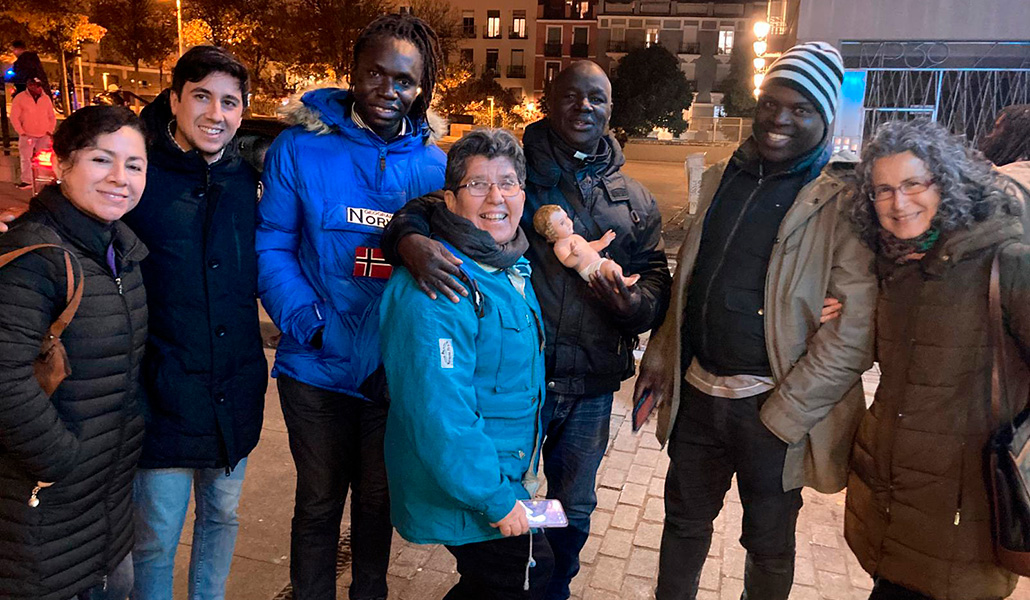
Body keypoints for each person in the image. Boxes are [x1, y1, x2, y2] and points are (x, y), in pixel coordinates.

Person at [382, 60, 671, 600]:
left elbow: (654, 272)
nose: (584, 107)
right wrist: (408, 239)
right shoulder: (517, 173)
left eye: (598, 98)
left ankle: (548, 588)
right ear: (547, 100)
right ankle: (528, 578)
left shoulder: (631, 197)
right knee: (510, 538)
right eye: (571, 95)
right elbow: (430, 208)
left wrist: (636, 308)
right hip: (519, 394)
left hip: (586, 388)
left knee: (568, 512)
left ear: (612, 108)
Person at [633, 42, 877, 600]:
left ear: (826, 117)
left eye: (801, 108)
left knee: (767, 547)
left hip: (773, 410)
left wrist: (786, 415)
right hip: (698, 396)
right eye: (772, 101)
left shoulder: (840, 201)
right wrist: (663, 358)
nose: (780, 118)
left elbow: (853, 331)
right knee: (682, 526)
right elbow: (690, 280)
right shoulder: (724, 175)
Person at [256, 14, 447, 600]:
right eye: (375, 74)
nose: (388, 90)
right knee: (317, 500)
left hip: (392, 369)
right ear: (353, 74)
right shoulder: (298, 150)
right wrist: (310, 325)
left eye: (405, 80)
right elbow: (272, 245)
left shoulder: (437, 167)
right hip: (314, 363)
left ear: (423, 87)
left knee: (376, 499)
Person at [844, 119, 1030, 600]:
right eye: (883, 189)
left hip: (966, 518)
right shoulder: (897, 267)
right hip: (897, 506)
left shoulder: (1003, 261)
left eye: (912, 184)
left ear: (944, 182)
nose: (898, 202)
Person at [380, 128, 554, 599]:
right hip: (468, 482)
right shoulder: (439, 285)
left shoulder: (507, 266)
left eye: (508, 182)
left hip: (498, 472)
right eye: (478, 184)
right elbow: (439, 412)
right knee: (522, 575)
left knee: (510, 578)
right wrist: (497, 500)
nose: (496, 196)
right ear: (451, 199)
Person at [124, 46, 267, 600]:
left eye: (229, 102)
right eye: (202, 96)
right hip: (161, 392)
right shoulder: (139, 172)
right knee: (156, 536)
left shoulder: (244, 176)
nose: (216, 113)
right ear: (176, 98)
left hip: (233, 389)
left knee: (222, 519)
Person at [0, 105, 149, 600]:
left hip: (101, 508)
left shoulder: (120, 254)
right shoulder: (36, 258)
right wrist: (66, 460)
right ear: (62, 164)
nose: (119, 178)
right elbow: (5, 383)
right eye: (101, 160)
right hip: (43, 513)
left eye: (134, 165)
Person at [532, 204, 639, 286]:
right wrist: (574, 254)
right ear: (551, 233)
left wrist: (602, 242)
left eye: (566, 218)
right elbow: (567, 262)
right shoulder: (560, 246)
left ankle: (617, 286)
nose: (568, 222)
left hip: (598, 263)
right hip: (589, 270)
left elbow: (589, 247)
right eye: (562, 223)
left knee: (614, 266)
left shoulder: (575, 237)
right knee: (610, 267)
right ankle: (623, 282)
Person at [11, 77, 56, 190]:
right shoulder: (20, 98)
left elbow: (51, 116)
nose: (36, 88)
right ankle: (27, 180)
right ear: (29, 85)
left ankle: (42, 179)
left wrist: (49, 131)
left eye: (38, 85)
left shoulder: (45, 98)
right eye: (33, 85)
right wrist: (21, 132)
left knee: (44, 157)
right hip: (27, 133)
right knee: (26, 157)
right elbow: (14, 117)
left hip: (43, 134)